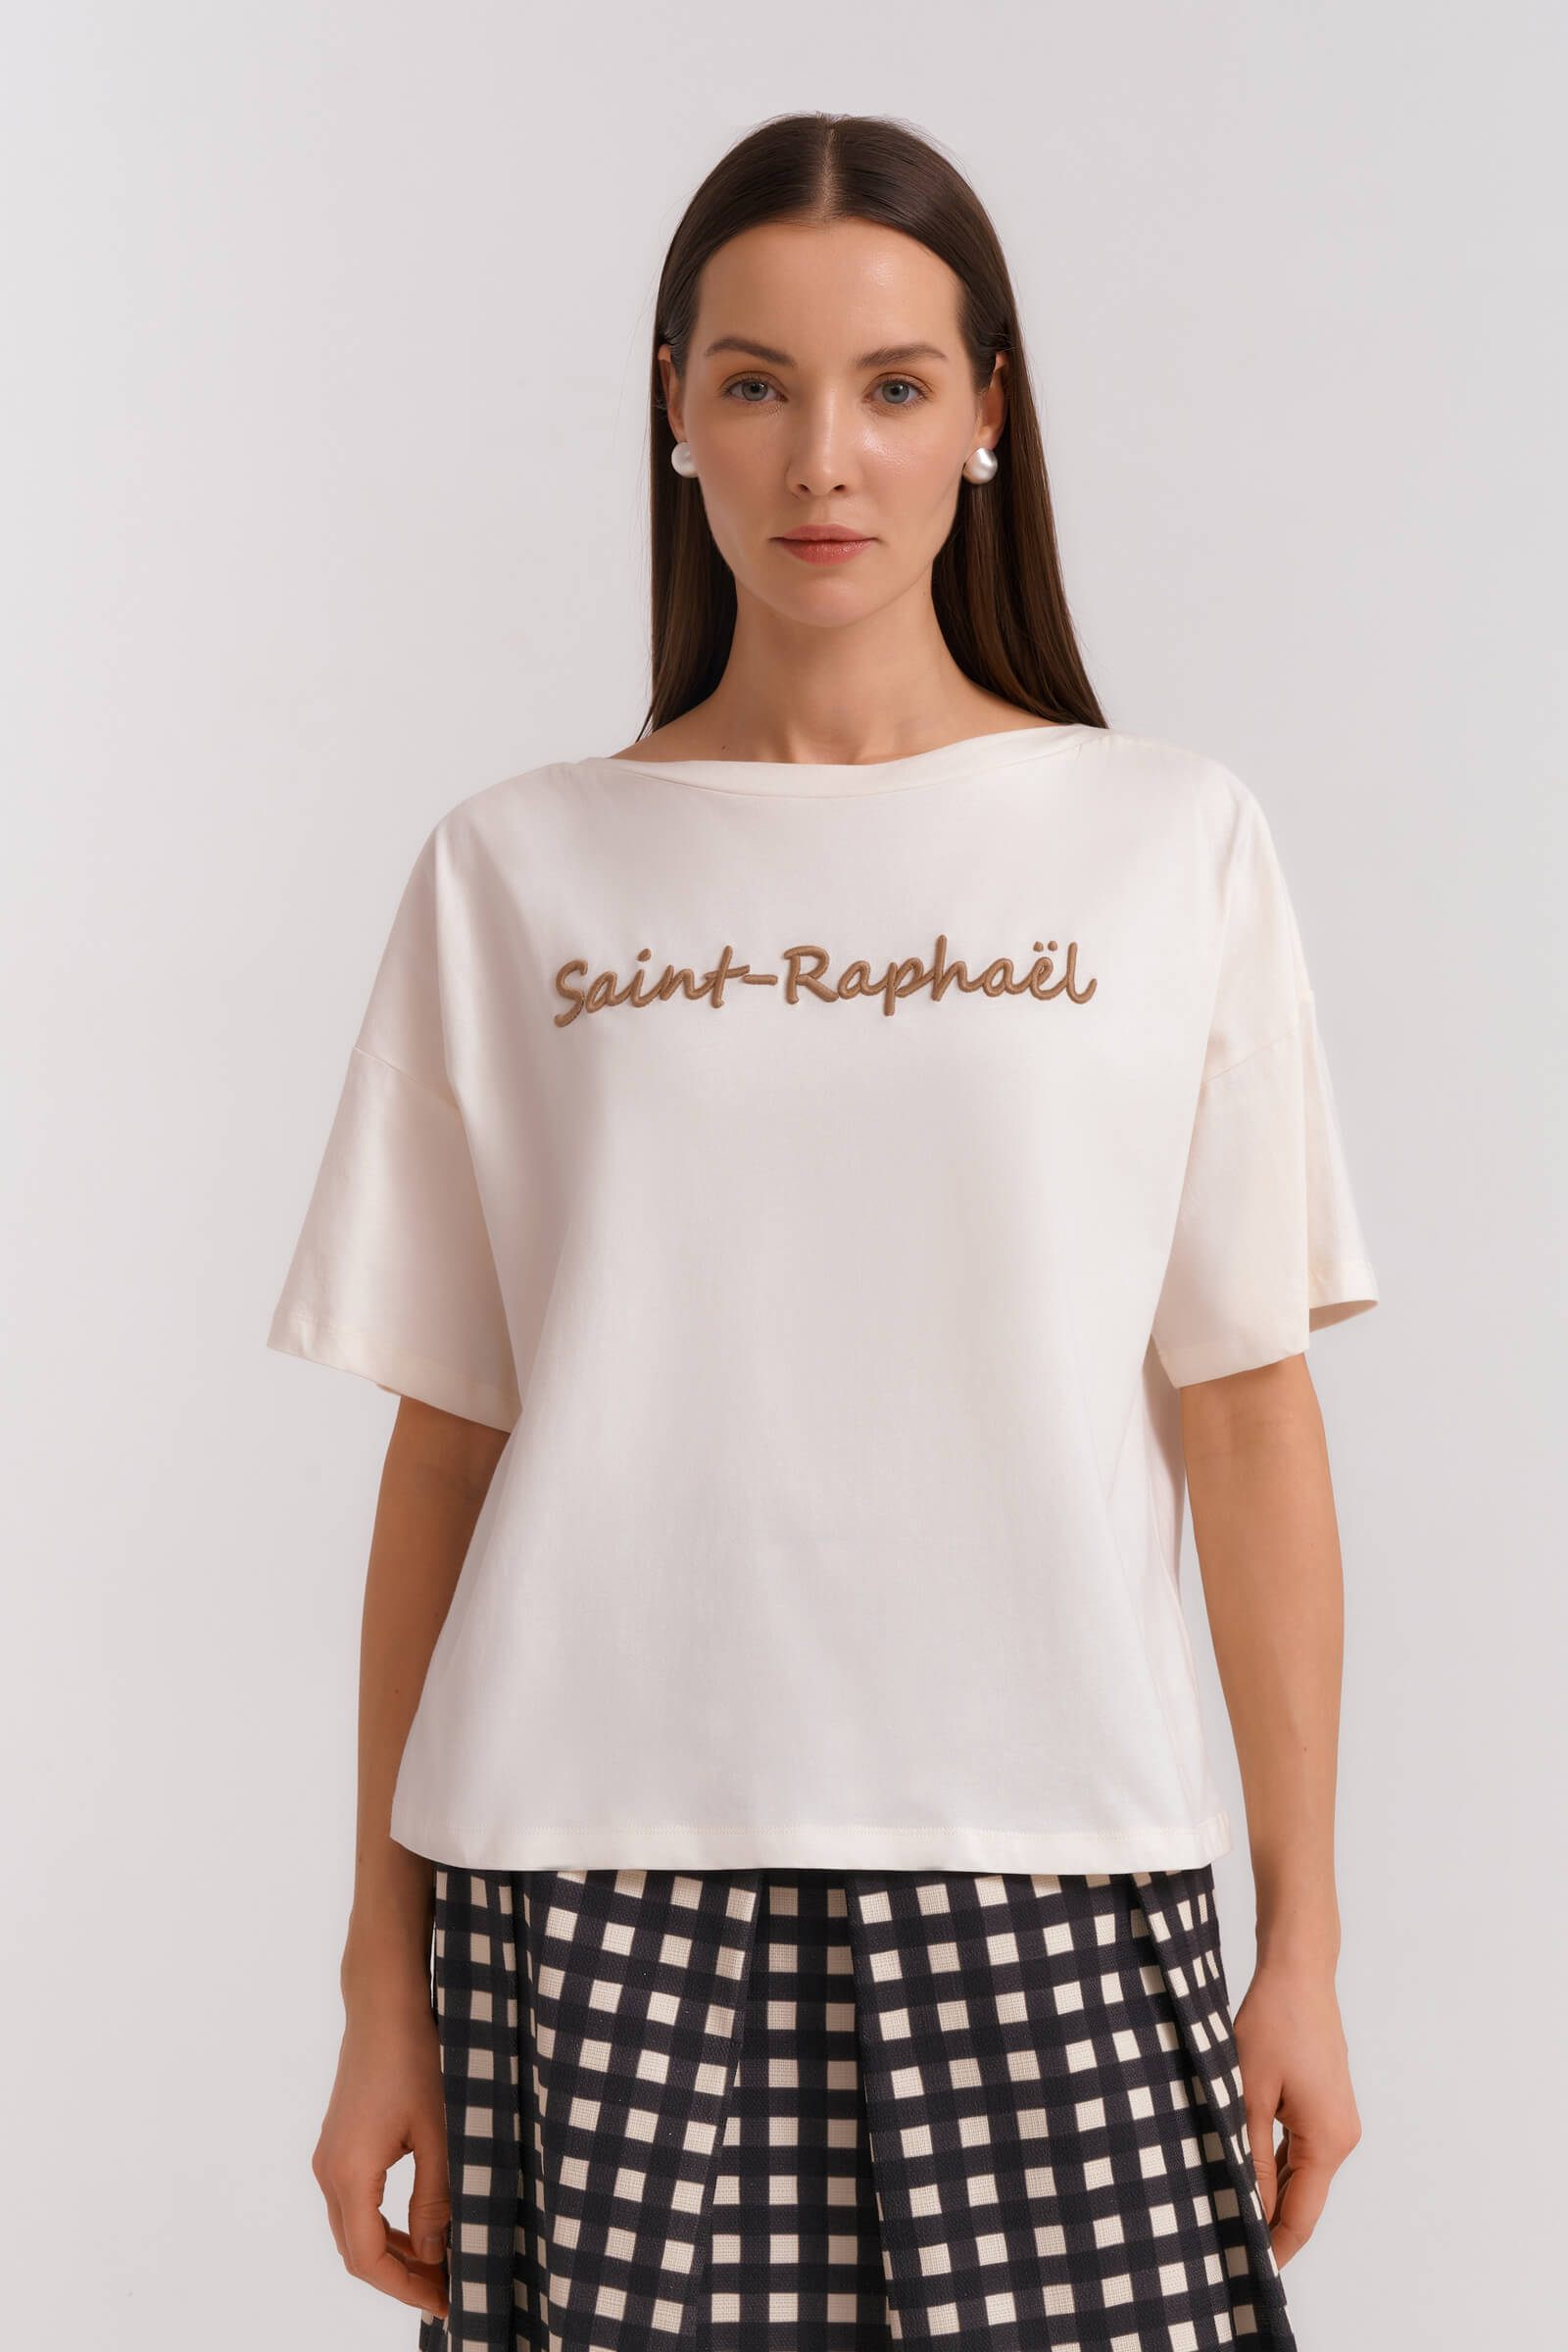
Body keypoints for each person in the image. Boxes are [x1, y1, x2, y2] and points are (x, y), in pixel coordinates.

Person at [267, 112, 1379, 2352]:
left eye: (890, 385)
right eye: (756, 384)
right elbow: (447, 1456)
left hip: (1055, 1865)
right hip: (585, 1889)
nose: (821, 459)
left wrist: (1302, 1946)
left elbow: (1246, 1415)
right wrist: (378, 1986)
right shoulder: (515, 874)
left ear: (986, 416)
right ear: (673, 409)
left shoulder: (1165, 848)